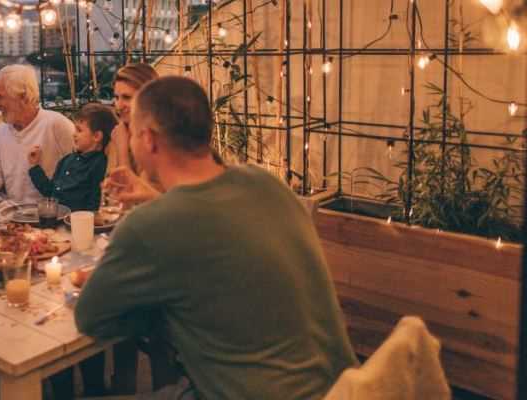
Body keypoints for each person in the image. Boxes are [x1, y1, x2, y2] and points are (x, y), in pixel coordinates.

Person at [75, 76, 358, 399]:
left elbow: (91, 319)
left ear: (149, 140)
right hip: (345, 388)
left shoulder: (147, 226)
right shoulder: (267, 185)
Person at [0, 64, 75, 204]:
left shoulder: (57, 125)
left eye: (0, 97)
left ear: (23, 97)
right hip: (16, 219)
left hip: (54, 216)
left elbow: (81, 172)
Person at [28, 103, 114, 211]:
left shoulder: (100, 164)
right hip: (55, 218)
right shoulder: (65, 161)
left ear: (97, 136)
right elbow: (50, 193)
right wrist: (35, 166)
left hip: (77, 223)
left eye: (79, 130)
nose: (74, 134)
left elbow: (94, 202)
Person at [108, 63, 158, 176]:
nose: (119, 105)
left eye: (127, 97)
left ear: (148, 98)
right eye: (116, 97)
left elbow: (129, 192)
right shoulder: (120, 132)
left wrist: (122, 150)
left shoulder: (160, 140)